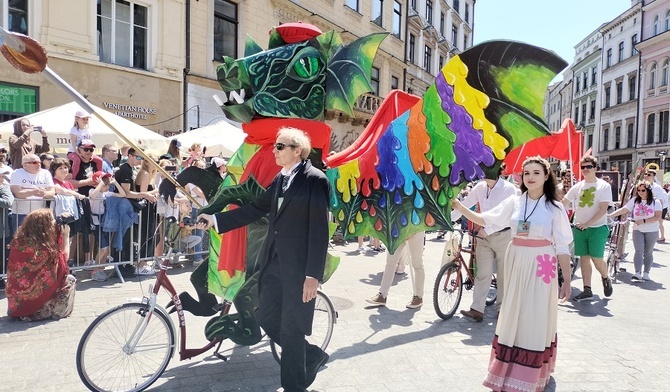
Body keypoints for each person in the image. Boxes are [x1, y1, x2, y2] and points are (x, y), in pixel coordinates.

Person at [197, 127, 330, 391]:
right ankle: (312, 355)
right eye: (275, 146)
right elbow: (255, 208)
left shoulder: (316, 179)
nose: (275, 150)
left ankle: (294, 385)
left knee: (291, 332)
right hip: (273, 264)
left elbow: (319, 231)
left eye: (280, 146)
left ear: (298, 150)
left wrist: (313, 275)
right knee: (267, 319)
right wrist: (215, 220)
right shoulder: (281, 179)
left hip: (299, 269)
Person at [452, 156, 572, 392]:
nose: (531, 177)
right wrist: (459, 207)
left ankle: (533, 372)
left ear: (546, 176)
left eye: (536, 172)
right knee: (513, 312)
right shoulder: (515, 202)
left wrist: (566, 278)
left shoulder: (554, 208)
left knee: (535, 315)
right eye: (526, 173)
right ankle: (508, 369)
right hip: (516, 260)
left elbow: (562, 245)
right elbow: (485, 218)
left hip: (542, 264)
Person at [451, 165, 520, 322]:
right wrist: (450, 219)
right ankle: (477, 308)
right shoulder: (480, 187)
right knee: (482, 273)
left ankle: (502, 309)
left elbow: (507, 217)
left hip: (504, 235)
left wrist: (487, 230)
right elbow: (465, 205)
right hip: (483, 237)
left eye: (485, 168)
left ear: (498, 170)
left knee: (503, 275)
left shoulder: (509, 189)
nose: (481, 172)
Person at [5, 209, 76, 321]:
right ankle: (54, 311)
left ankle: (25, 312)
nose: (54, 224)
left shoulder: (19, 243)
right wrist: (66, 236)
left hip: (17, 304)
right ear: (43, 227)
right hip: (37, 307)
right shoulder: (43, 249)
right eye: (51, 221)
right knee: (69, 280)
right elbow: (63, 259)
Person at [562, 155, 613, 301]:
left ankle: (605, 277)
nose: (585, 170)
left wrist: (588, 224)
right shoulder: (577, 186)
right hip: (579, 228)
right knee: (584, 258)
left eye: (588, 167)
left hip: (597, 228)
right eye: (583, 167)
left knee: (596, 259)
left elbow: (603, 209)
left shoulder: (604, 186)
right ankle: (587, 289)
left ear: (595, 168)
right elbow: (564, 202)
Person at [608, 181, 662, 281]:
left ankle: (646, 273)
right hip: (638, 229)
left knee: (648, 252)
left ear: (648, 191)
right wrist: (611, 215)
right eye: (638, 190)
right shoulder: (635, 200)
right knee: (638, 251)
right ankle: (637, 273)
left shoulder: (656, 202)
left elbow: (658, 217)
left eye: (643, 190)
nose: (640, 192)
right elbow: (624, 209)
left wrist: (644, 221)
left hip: (652, 230)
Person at [366, 232, 426, 309]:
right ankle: (382, 295)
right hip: (398, 230)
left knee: (417, 265)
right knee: (390, 263)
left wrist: (411, 231)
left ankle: (418, 297)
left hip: (416, 230)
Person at [9, 154, 55, 228]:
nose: (38, 164)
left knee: (39, 238)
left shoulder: (46, 173)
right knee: (21, 238)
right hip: (21, 214)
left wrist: (44, 193)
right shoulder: (17, 173)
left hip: (40, 213)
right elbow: (17, 193)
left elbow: (52, 192)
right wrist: (32, 192)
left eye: (39, 162)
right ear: (25, 165)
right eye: (34, 162)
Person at [643, 169, 668, 242]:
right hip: (647, 208)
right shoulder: (643, 185)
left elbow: (660, 200)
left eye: (649, 175)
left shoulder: (657, 187)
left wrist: (659, 212)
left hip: (657, 208)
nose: (647, 176)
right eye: (646, 174)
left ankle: (660, 237)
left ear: (654, 176)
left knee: (658, 223)